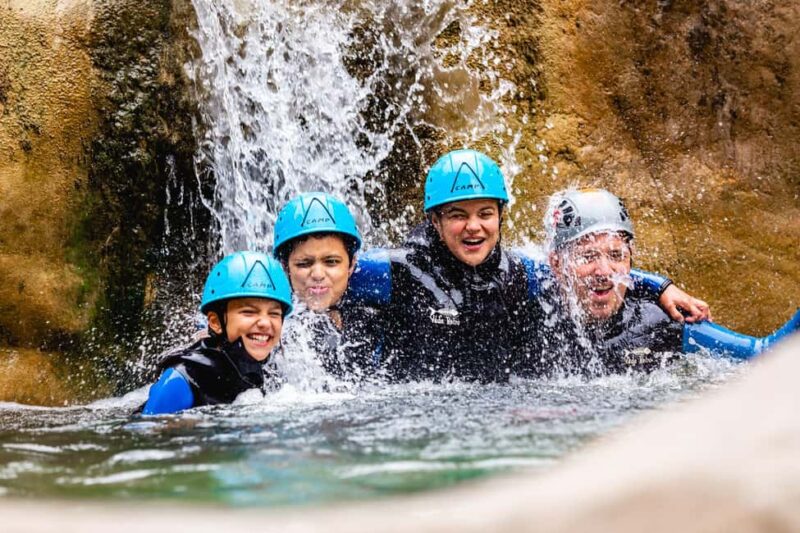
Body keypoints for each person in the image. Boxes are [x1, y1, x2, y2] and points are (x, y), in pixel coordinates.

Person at [348, 149, 707, 382]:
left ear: (501, 217)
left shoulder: (517, 273)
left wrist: (659, 286)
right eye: (458, 215)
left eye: (485, 214)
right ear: (435, 222)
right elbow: (320, 270)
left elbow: (580, 272)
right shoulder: (396, 271)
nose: (474, 226)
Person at [539, 188, 800, 375]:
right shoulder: (533, 308)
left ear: (631, 259)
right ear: (557, 263)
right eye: (588, 257)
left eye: (616, 255)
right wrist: (659, 285)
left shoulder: (660, 321)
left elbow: (764, 354)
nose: (604, 271)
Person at [141, 251, 293, 415]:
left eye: (274, 314)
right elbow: (147, 433)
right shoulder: (184, 378)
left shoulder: (272, 372)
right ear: (215, 322)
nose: (265, 322)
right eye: (249, 312)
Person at [273, 192, 379, 378]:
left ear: (352, 264)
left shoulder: (376, 316)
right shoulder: (273, 327)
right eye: (304, 264)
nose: (318, 274)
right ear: (285, 268)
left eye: (331, 262)